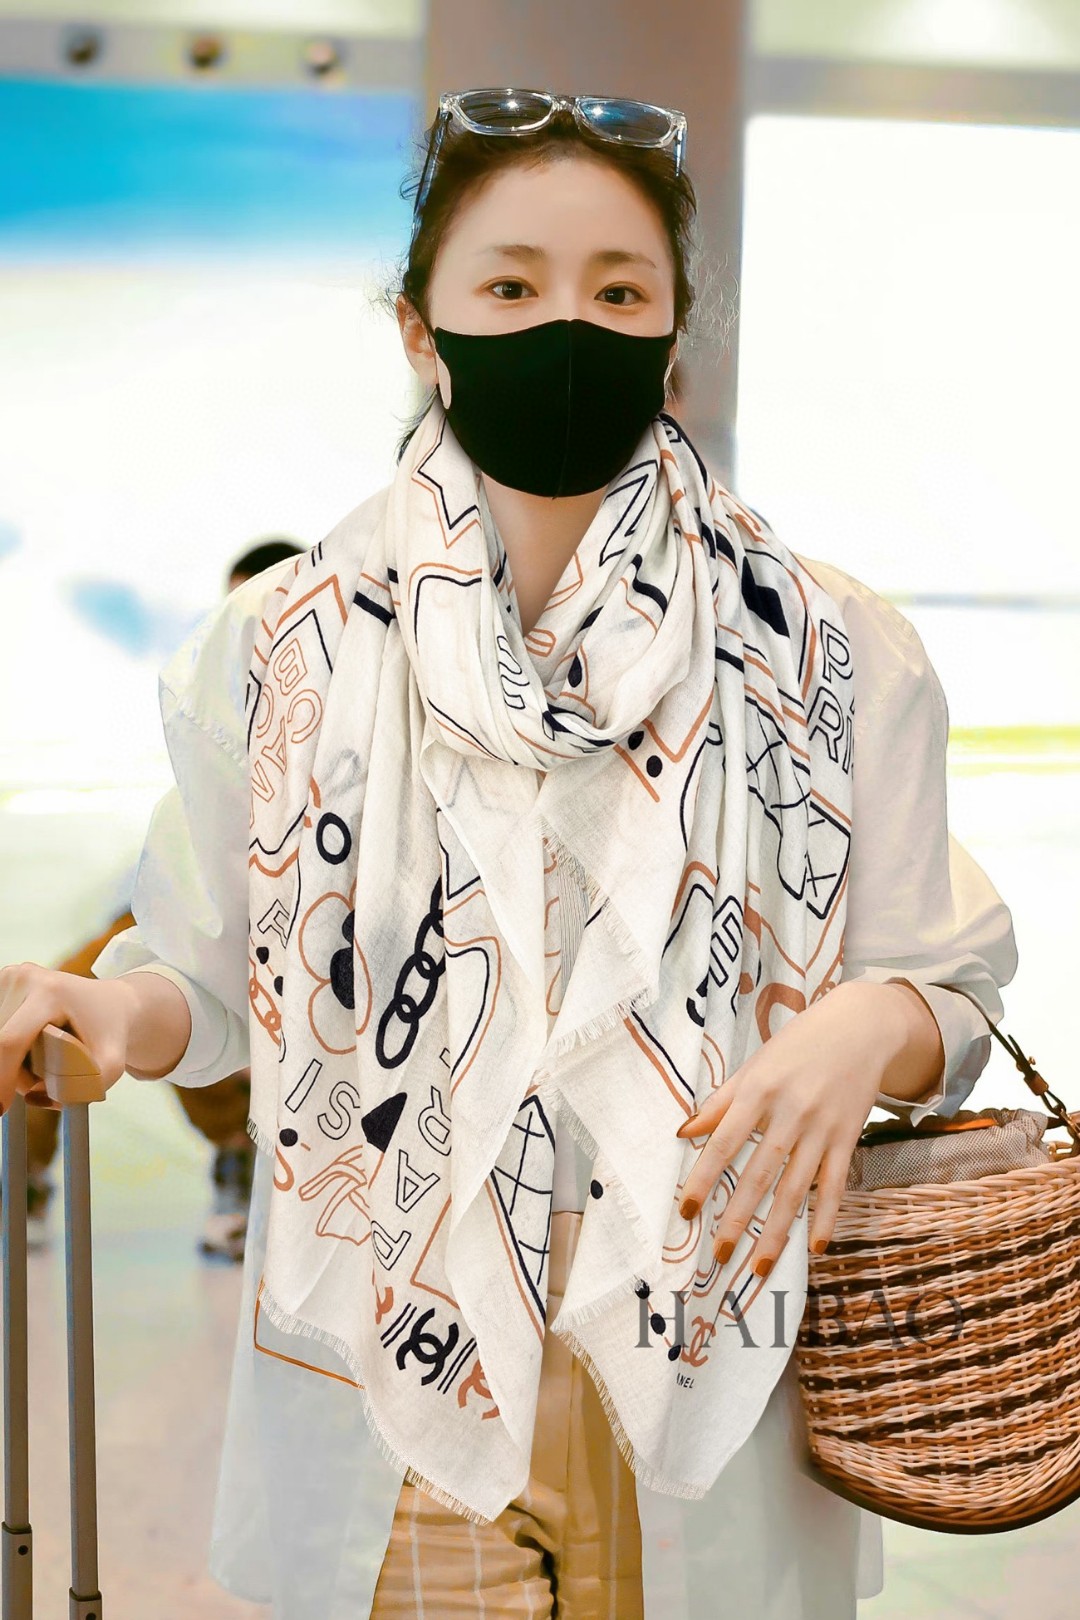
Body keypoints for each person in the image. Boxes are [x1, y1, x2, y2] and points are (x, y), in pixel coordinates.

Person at [0, 90, 1018, 1619]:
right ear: (423, 328)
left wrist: (873, 1022)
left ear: (673, 338)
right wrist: (102, 1010)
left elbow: (947, 985)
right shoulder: (276, 650)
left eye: (618, 291)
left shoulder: (829, 649)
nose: (567, 329)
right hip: (401, 1366)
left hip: (710, 1360)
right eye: (513, 285)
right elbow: (204, 981)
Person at [8, 536, 304, 1257]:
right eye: (234, 606)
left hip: (263, 918)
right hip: (156, 909)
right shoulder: (213, 701)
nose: (245, 625)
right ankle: (24, 1184)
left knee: (194, 999)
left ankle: (237, 1156)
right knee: (58, 1004)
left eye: (262, 606)